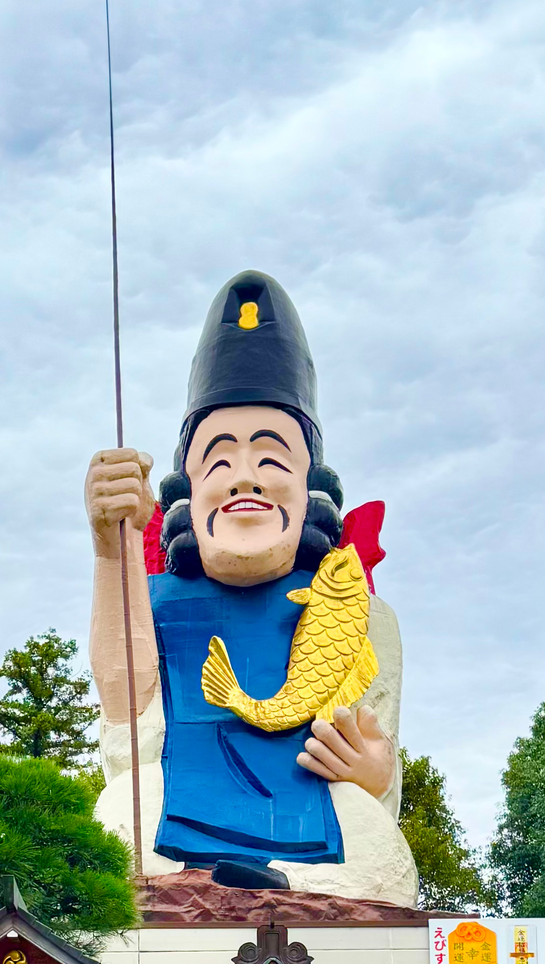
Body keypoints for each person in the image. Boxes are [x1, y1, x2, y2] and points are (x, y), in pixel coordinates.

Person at [84, 270, 419, 905]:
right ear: (187, 490)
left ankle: (282, 884)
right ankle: (207, 881)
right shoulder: (153, 601)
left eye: (270, 460)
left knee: (377, 842)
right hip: (183, 793)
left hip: (311, 810)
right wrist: (112, 548)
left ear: (309, 485)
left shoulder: (359, 610)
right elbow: (127, 722)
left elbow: (380, 770)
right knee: (118, 812)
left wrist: (372, 771)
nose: (245, 480)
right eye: (220, 460)